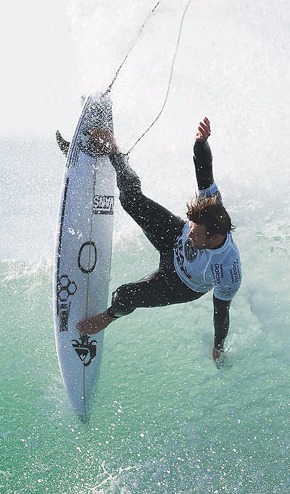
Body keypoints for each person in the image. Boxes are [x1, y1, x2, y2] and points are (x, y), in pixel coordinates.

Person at [76, 117, 241, 364]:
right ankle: (114, 152)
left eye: (196, 233)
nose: (191, 235)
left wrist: (219, 345)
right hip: (172, 238)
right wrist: (201, 142)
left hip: (181, 283)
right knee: (131, 199)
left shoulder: (228, 270)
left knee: (124, 296)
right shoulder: (210, 206)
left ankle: (109, 317)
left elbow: (221, 311)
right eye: (192, 228)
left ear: (214, 237)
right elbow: (203, 165)